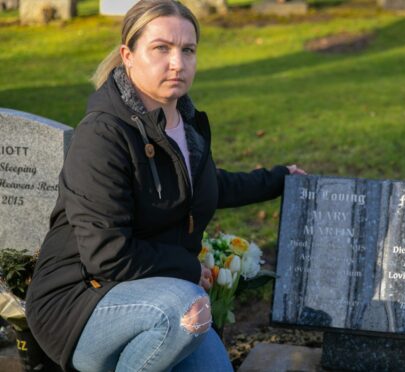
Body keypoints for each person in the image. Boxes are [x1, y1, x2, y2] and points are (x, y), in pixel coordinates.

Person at [25, 1, 305, 370]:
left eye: (188, 50)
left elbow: (204, 187)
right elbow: (106, 254)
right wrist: (188, 268)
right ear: (128, 55)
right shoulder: (103, 135)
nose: (178, 62)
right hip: (81, 304)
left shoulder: (185, 126)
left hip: (165, 299)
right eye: (162, 48)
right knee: (186, 308)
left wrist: (279, 179)